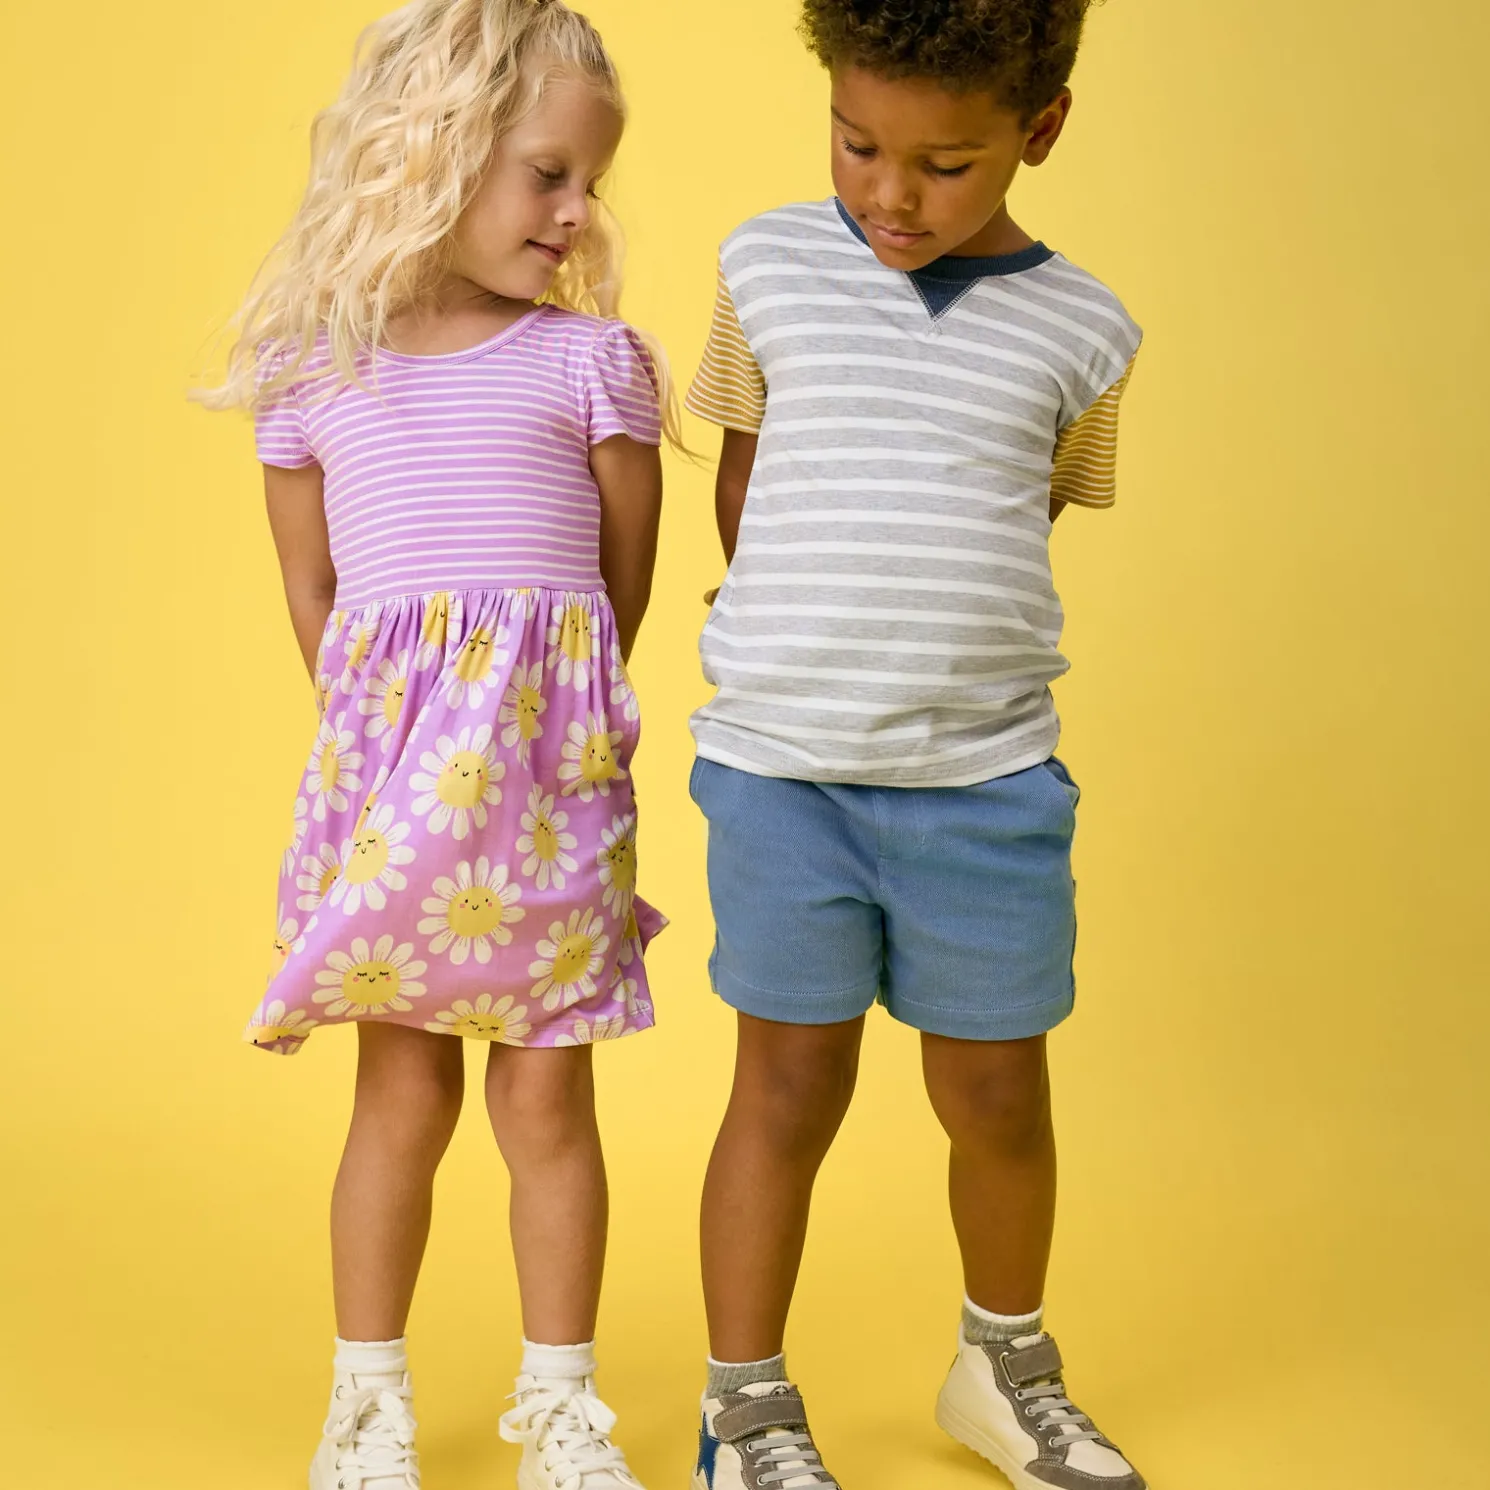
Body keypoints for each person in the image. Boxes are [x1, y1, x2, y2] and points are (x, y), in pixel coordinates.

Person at [201, 3, 672, 1485]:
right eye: (547, 174)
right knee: (397, 1093)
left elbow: (618, 579)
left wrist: (540, 744)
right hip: (395, 801)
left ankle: (558, 1408)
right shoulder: (313, 370)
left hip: (543, 795)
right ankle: (365, 1402)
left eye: (589, 179)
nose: (578, 211)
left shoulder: (591, 364)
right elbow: (314, 591)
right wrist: (395, 748)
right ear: (436, 152)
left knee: (547, 1096)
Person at [683, 3, 1147, 1487]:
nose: (889, 194)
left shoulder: (1089, 331)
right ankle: (741, 1403)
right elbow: (746, 481)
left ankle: (998, 1362)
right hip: (785, 772)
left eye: (943, 164)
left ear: (1040, 130)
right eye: (856, 143)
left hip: (984, 782)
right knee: (783, 1083)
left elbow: (1022, 515)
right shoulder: (762, 266)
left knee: (999, 1093)